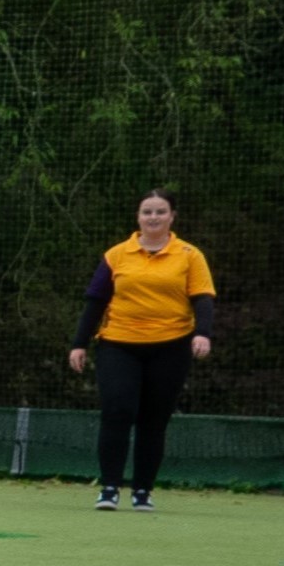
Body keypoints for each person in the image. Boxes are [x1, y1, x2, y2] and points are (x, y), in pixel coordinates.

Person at [69, 191, 214, 511]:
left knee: (154, 419)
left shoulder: (189, 255)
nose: (153, 217)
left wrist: (202, 334)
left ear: (172, 216)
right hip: (119, 344)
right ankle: (109, 488)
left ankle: (142, 491)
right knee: (118, 410)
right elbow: (95, 302)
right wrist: (79, 343)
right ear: (138, 217)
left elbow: (202, 298)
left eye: (160, 212)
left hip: (171, 346)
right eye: (147, 212)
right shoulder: (117, 255)